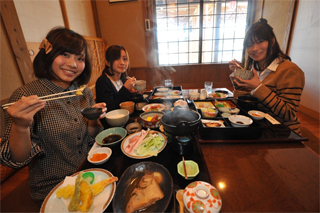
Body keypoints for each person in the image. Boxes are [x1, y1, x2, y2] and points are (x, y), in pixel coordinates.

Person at [0, 27, 107, 204]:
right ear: (48, 54)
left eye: (80, 58)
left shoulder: (84, 92)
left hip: (87, 173)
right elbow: (15, 160)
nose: (73, 64)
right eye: (65, 54)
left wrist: (93, 119)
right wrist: (20, 126)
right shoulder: (26, 96)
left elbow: (93, 137)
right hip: (53, 188)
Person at [228, 18, 305, 135]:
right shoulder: (255, 68)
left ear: (272, 41)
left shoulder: (290, 70)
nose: (254, 48)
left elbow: (288, 113)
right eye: (250, 44)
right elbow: (244, 102)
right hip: (258, 126)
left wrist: (258, 87)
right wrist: (239, 77)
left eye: (260, 41)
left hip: (281, 131)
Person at [95, 45, 137, 128]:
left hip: (125, 121)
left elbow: (125, 102)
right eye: (117, 59)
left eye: (125, 59)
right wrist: (125, 88)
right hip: (113, 127)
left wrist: (136, 93)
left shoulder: (122, 78)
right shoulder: (103, 81)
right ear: (107, 62)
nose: (122, 62)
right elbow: (110, 109)